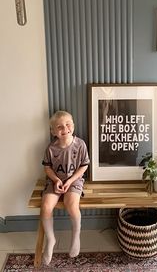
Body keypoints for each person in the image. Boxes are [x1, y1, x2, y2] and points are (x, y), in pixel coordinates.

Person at [40, 110, 90, 266]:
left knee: (71, 204)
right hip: (55, 182)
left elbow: (83, 166)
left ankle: (76, 237)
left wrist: (70, 181)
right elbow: (47, 168)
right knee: (46, 207)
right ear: (53, 131)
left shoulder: (80, 144)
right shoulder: (50, 148)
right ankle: (51, 239)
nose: (65, 129)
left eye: (68, 124)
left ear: (73, 126)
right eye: (59, 126)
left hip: (74, 181)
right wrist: (56, 180)